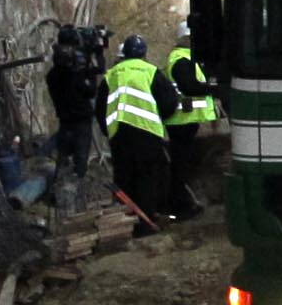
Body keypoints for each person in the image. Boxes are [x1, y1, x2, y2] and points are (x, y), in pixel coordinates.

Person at [106, 32, 186, 228]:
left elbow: (101, 107)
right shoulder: (150, 72)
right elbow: (169, 101)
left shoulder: (111, 75)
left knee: (124, 177)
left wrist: (109, 130)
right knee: (147, 178)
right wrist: (160, 118)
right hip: (147, 134)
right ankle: (146, 221)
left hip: (119, 135)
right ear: (144, 54)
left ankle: (124, 222)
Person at [159, 36, 222, 203]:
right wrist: (212, 88)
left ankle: (181, 200)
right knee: (181, 164)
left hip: (186, 119)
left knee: (183, 163)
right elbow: (190, 87)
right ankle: (179, 202)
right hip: (182, 119)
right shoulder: (181, 59)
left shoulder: (187, 59)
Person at [44, 25, 99, 193]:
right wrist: (90, 71)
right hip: (81, 121)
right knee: (79, 162)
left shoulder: (52, 76)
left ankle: (56, 191)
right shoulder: (76, 76)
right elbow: (90, 92)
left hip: (65, 120)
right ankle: (72, 194)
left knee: (63, 157)